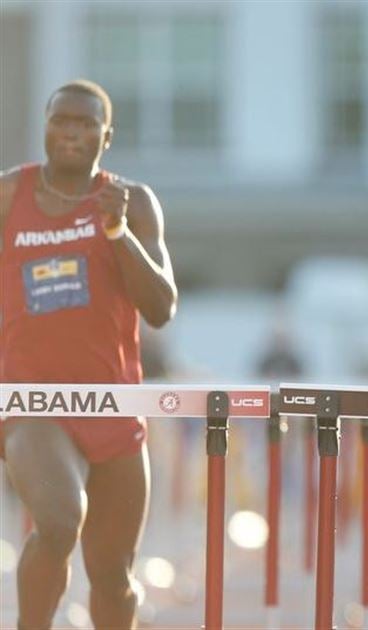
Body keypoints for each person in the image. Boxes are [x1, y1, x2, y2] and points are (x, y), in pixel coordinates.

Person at [0, 79, 178, 629]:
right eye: (61, 121)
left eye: (85, 124)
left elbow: (161, 308)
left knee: (114, 576)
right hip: (33, 402)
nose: (72, 133)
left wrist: (116, 230)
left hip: (112, 405)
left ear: (107, 136)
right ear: (46, 125)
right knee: (57, 522)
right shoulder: (9, 196)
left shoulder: (131, 201)